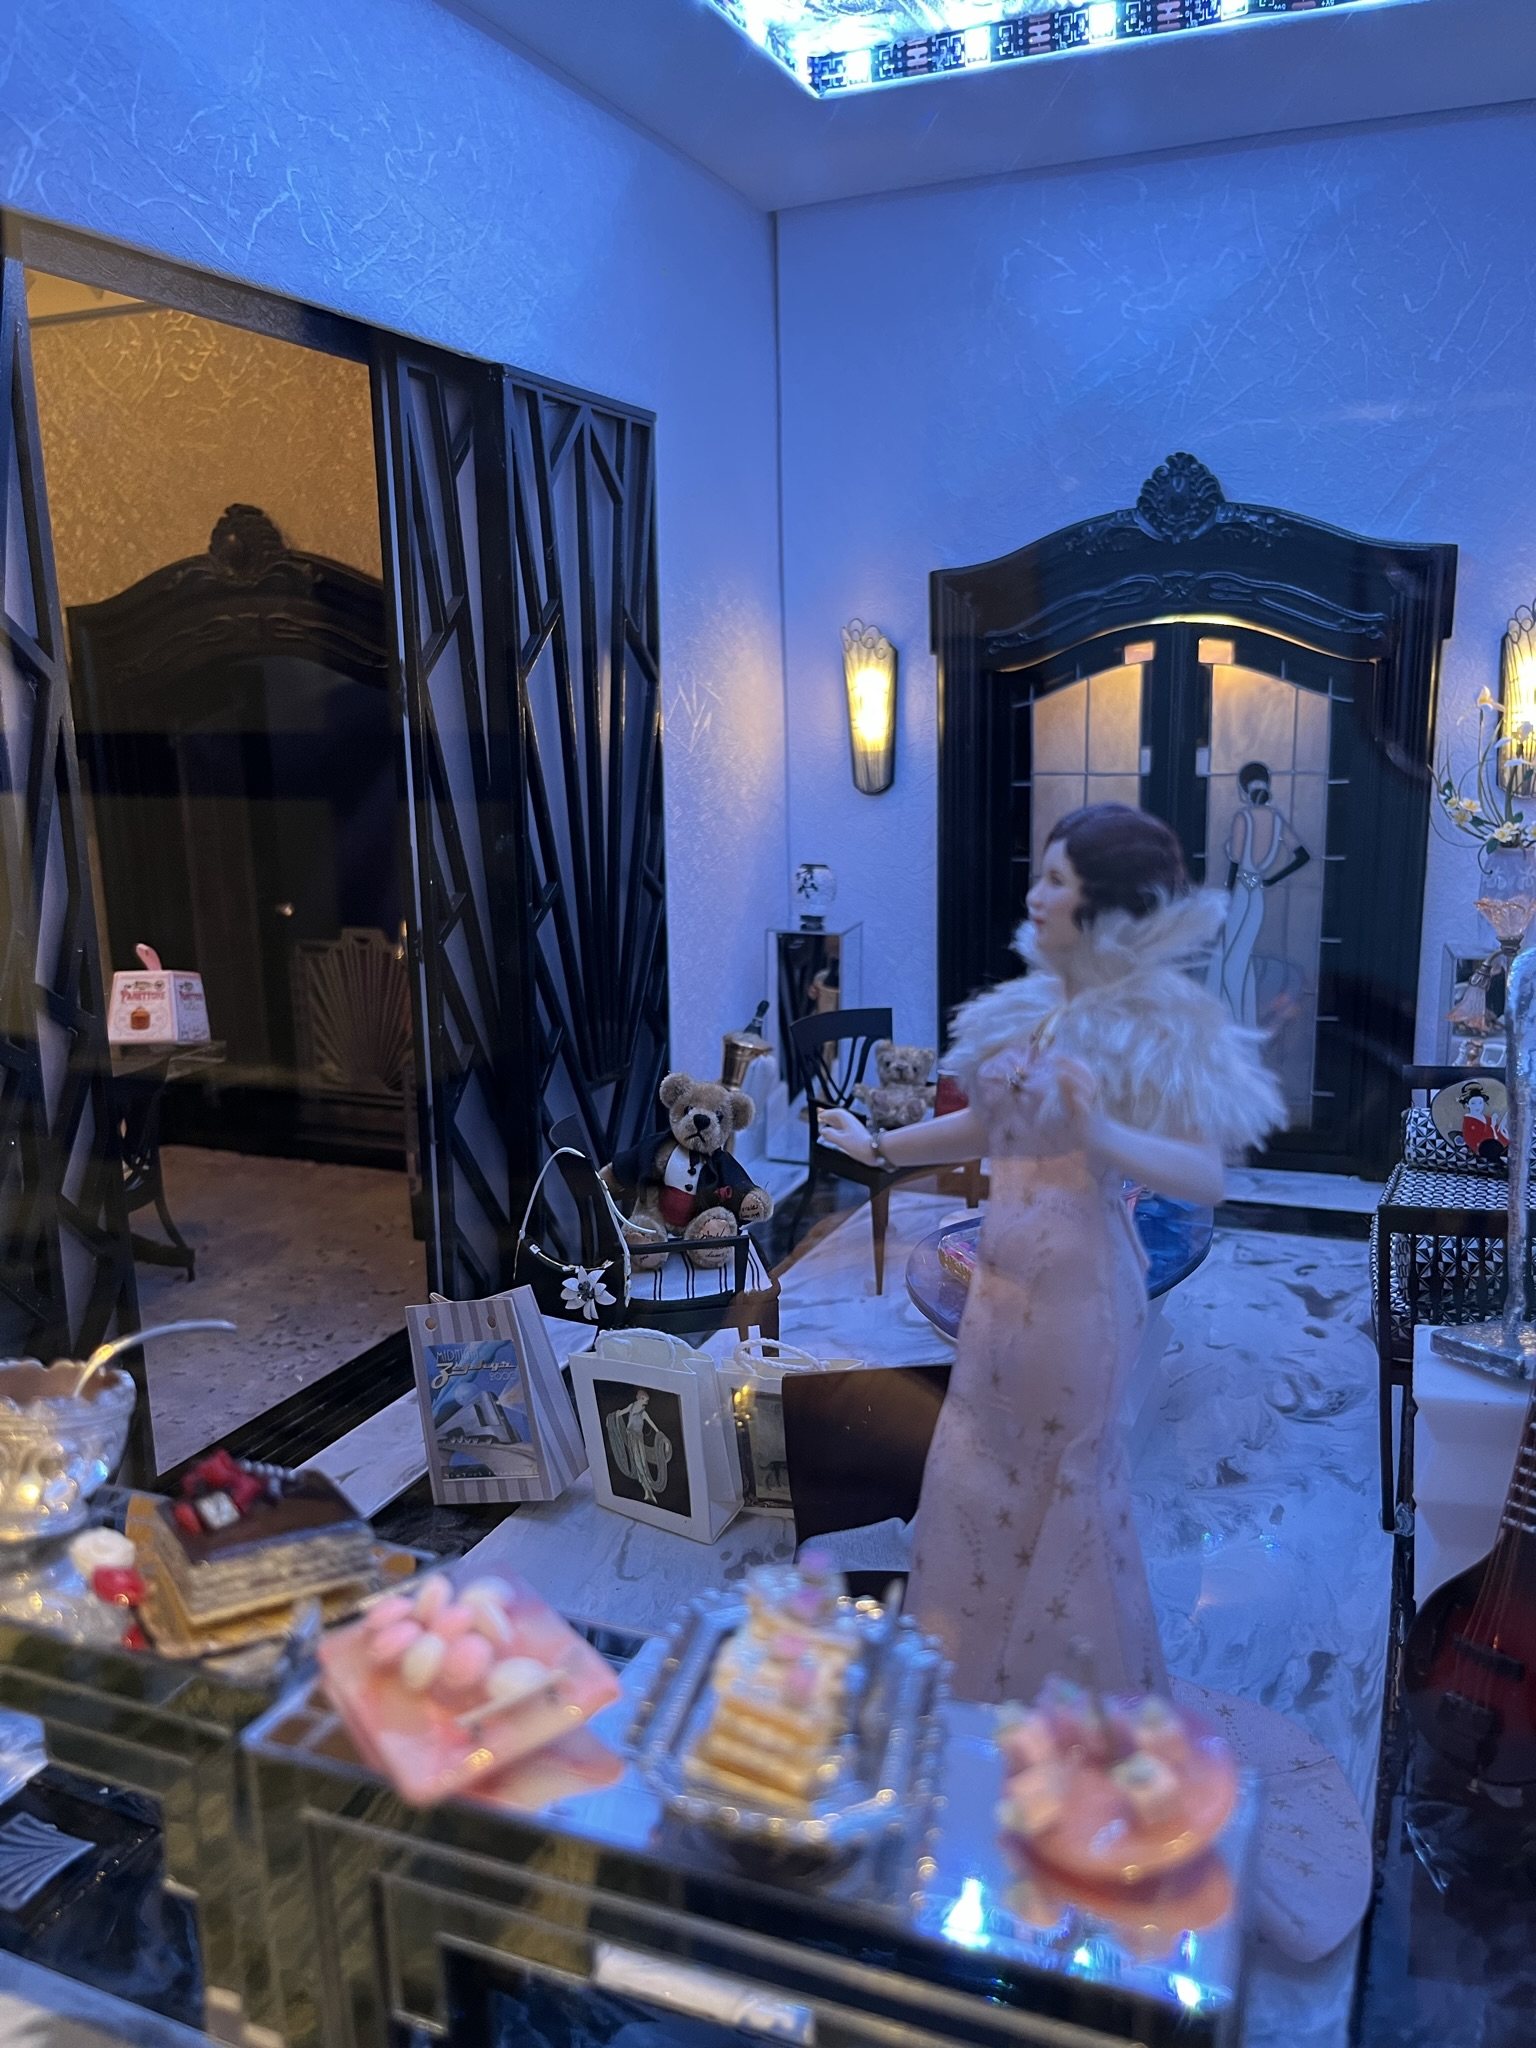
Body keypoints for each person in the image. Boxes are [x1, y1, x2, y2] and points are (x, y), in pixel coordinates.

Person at [820, 803, 1284, 1704]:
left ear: (1106, 907)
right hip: (1001, 1290)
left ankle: (1071, 1708)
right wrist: (879, 1148)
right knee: (973, 1480)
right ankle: (973, 1691)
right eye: (1042, 874)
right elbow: (991, 1120)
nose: (1035, 896)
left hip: (1077, 1301)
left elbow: (1203, 1172)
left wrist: (1102, 1133)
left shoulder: (1152, 1024)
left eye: (1058, 881)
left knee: (1057, 1493)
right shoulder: (1043, 1011)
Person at [1205, 758, 1311, 1029]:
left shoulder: (1244, 817)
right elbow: (1302, 856)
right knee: (1240, 955)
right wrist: (1272, 878)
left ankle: (1226, 1019)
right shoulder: (1276, 819)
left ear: (1244, 790)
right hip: (1257, 893)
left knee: (1228, 955)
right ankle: (1239, 1020)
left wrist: (1227, 896)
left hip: (1241, 889)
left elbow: (1236, 860)